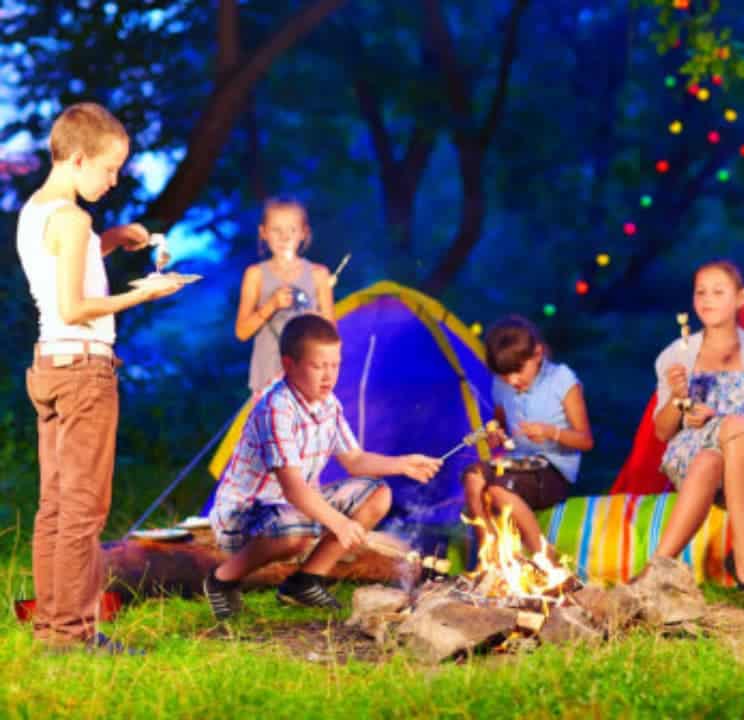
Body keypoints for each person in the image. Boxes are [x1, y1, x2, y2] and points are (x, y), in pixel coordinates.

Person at [18, 102, 186, 653]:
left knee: (56, 507)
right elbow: (72, 304)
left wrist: (112, 239)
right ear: (80, 157)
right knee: (84, 510)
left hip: (50, 366)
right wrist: (145, 292)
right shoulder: (72, 218)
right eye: (110, 169)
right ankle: (74, 635)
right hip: (84, 370)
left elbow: (59, 266)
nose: (114, 180)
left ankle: (51, 627)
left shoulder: (40, 211)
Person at [205, 314, 441, 619]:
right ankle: (222, 580)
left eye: (335, 365)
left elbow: (354, 461)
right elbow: (293, 489)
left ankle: (304, 582)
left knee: (377, 494)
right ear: (289, 365)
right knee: (296, 530)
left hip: (291, 509)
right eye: (318, 366)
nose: (329, 376)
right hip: (245, 515)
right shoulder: (275, 408)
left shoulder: (329, 405)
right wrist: (339, 523)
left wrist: (403, 464)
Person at [646, 260, 744, 589]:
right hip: (690, 453)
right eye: (701, 293)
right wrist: (677, 398)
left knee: (732, 431)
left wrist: (718, 419)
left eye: (718, 292)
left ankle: (655, 569)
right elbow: (663, 432)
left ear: (740, 298)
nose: (707, 300)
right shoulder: (675, 355)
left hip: (743, 461)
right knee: (708, 454)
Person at [461, 316, 594, 558]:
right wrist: (496, 436)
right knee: (472, 476)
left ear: (537, 354)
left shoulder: (562, 380)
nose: (512, 380)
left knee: (499, 490)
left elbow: (585, 440)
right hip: (517, 464)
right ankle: (488, 554)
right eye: (505, 375)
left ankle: (544, 556)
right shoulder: (501, 386)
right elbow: (499, 426)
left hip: (553, 470)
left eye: (518, 371)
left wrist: (549, 432)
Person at [235, 197, 335, 396]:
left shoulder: (319, 275)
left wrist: (312, 318)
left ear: (304, 233)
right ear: (263, 233)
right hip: (268, 378)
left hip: (308, 378)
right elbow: (242, 332)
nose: (284, 237)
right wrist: (271, 305)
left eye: (292, 230)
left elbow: (331, 334)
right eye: (276, 230)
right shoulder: (255, 275)